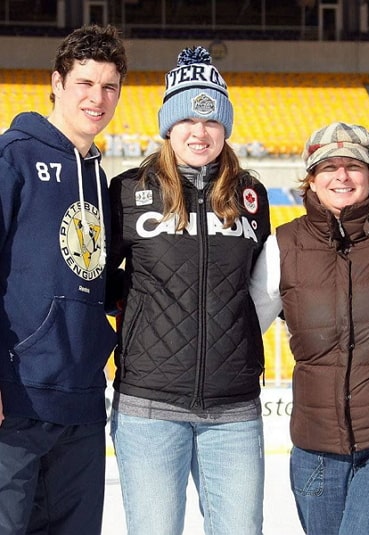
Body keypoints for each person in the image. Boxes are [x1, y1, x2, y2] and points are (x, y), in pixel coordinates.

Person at [250, 121, 369, 535]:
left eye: (353, 165)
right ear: (312, 180)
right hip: (316, 449)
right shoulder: (282, 246)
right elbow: (243, 327)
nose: (341, 176)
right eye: (328, 167)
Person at [107, 46, 271, 535]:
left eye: (211, 121)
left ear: (225, 127)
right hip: (150, 409)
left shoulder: (250, 196)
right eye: (187, 121)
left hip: (234, 409)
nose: (200, 133)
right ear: (168, 126)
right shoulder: (128, 191)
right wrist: (131, 304)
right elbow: (95, 278)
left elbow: (263, 283)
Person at [0, 24, 127, 534]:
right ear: (56, 82)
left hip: (81, 400)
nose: (97, 98)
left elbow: (90, 275)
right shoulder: (14, 156)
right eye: (84, 84)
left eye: (109, 86)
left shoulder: (97, 175)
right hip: (18, 396)